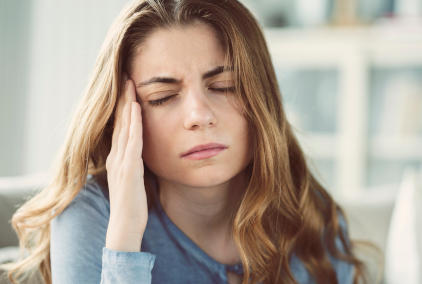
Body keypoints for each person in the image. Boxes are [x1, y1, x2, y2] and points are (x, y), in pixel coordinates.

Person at [1, 0, 368, 283]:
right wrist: (125, 238)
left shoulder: (308, 211)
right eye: (162, 97)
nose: (199, 115)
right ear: (121, 115)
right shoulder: (91, 213)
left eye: (225, 87)